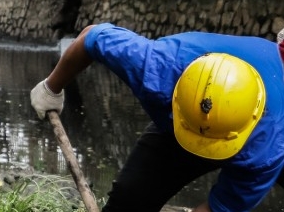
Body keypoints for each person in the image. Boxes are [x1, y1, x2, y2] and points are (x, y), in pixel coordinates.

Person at [30, 23, 284, 212]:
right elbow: (92, 38)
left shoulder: (268, 151)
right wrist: (51, 88)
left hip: (255, 137)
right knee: (129, 201)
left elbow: (221, 208)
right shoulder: (158, 66)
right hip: (178, 122)